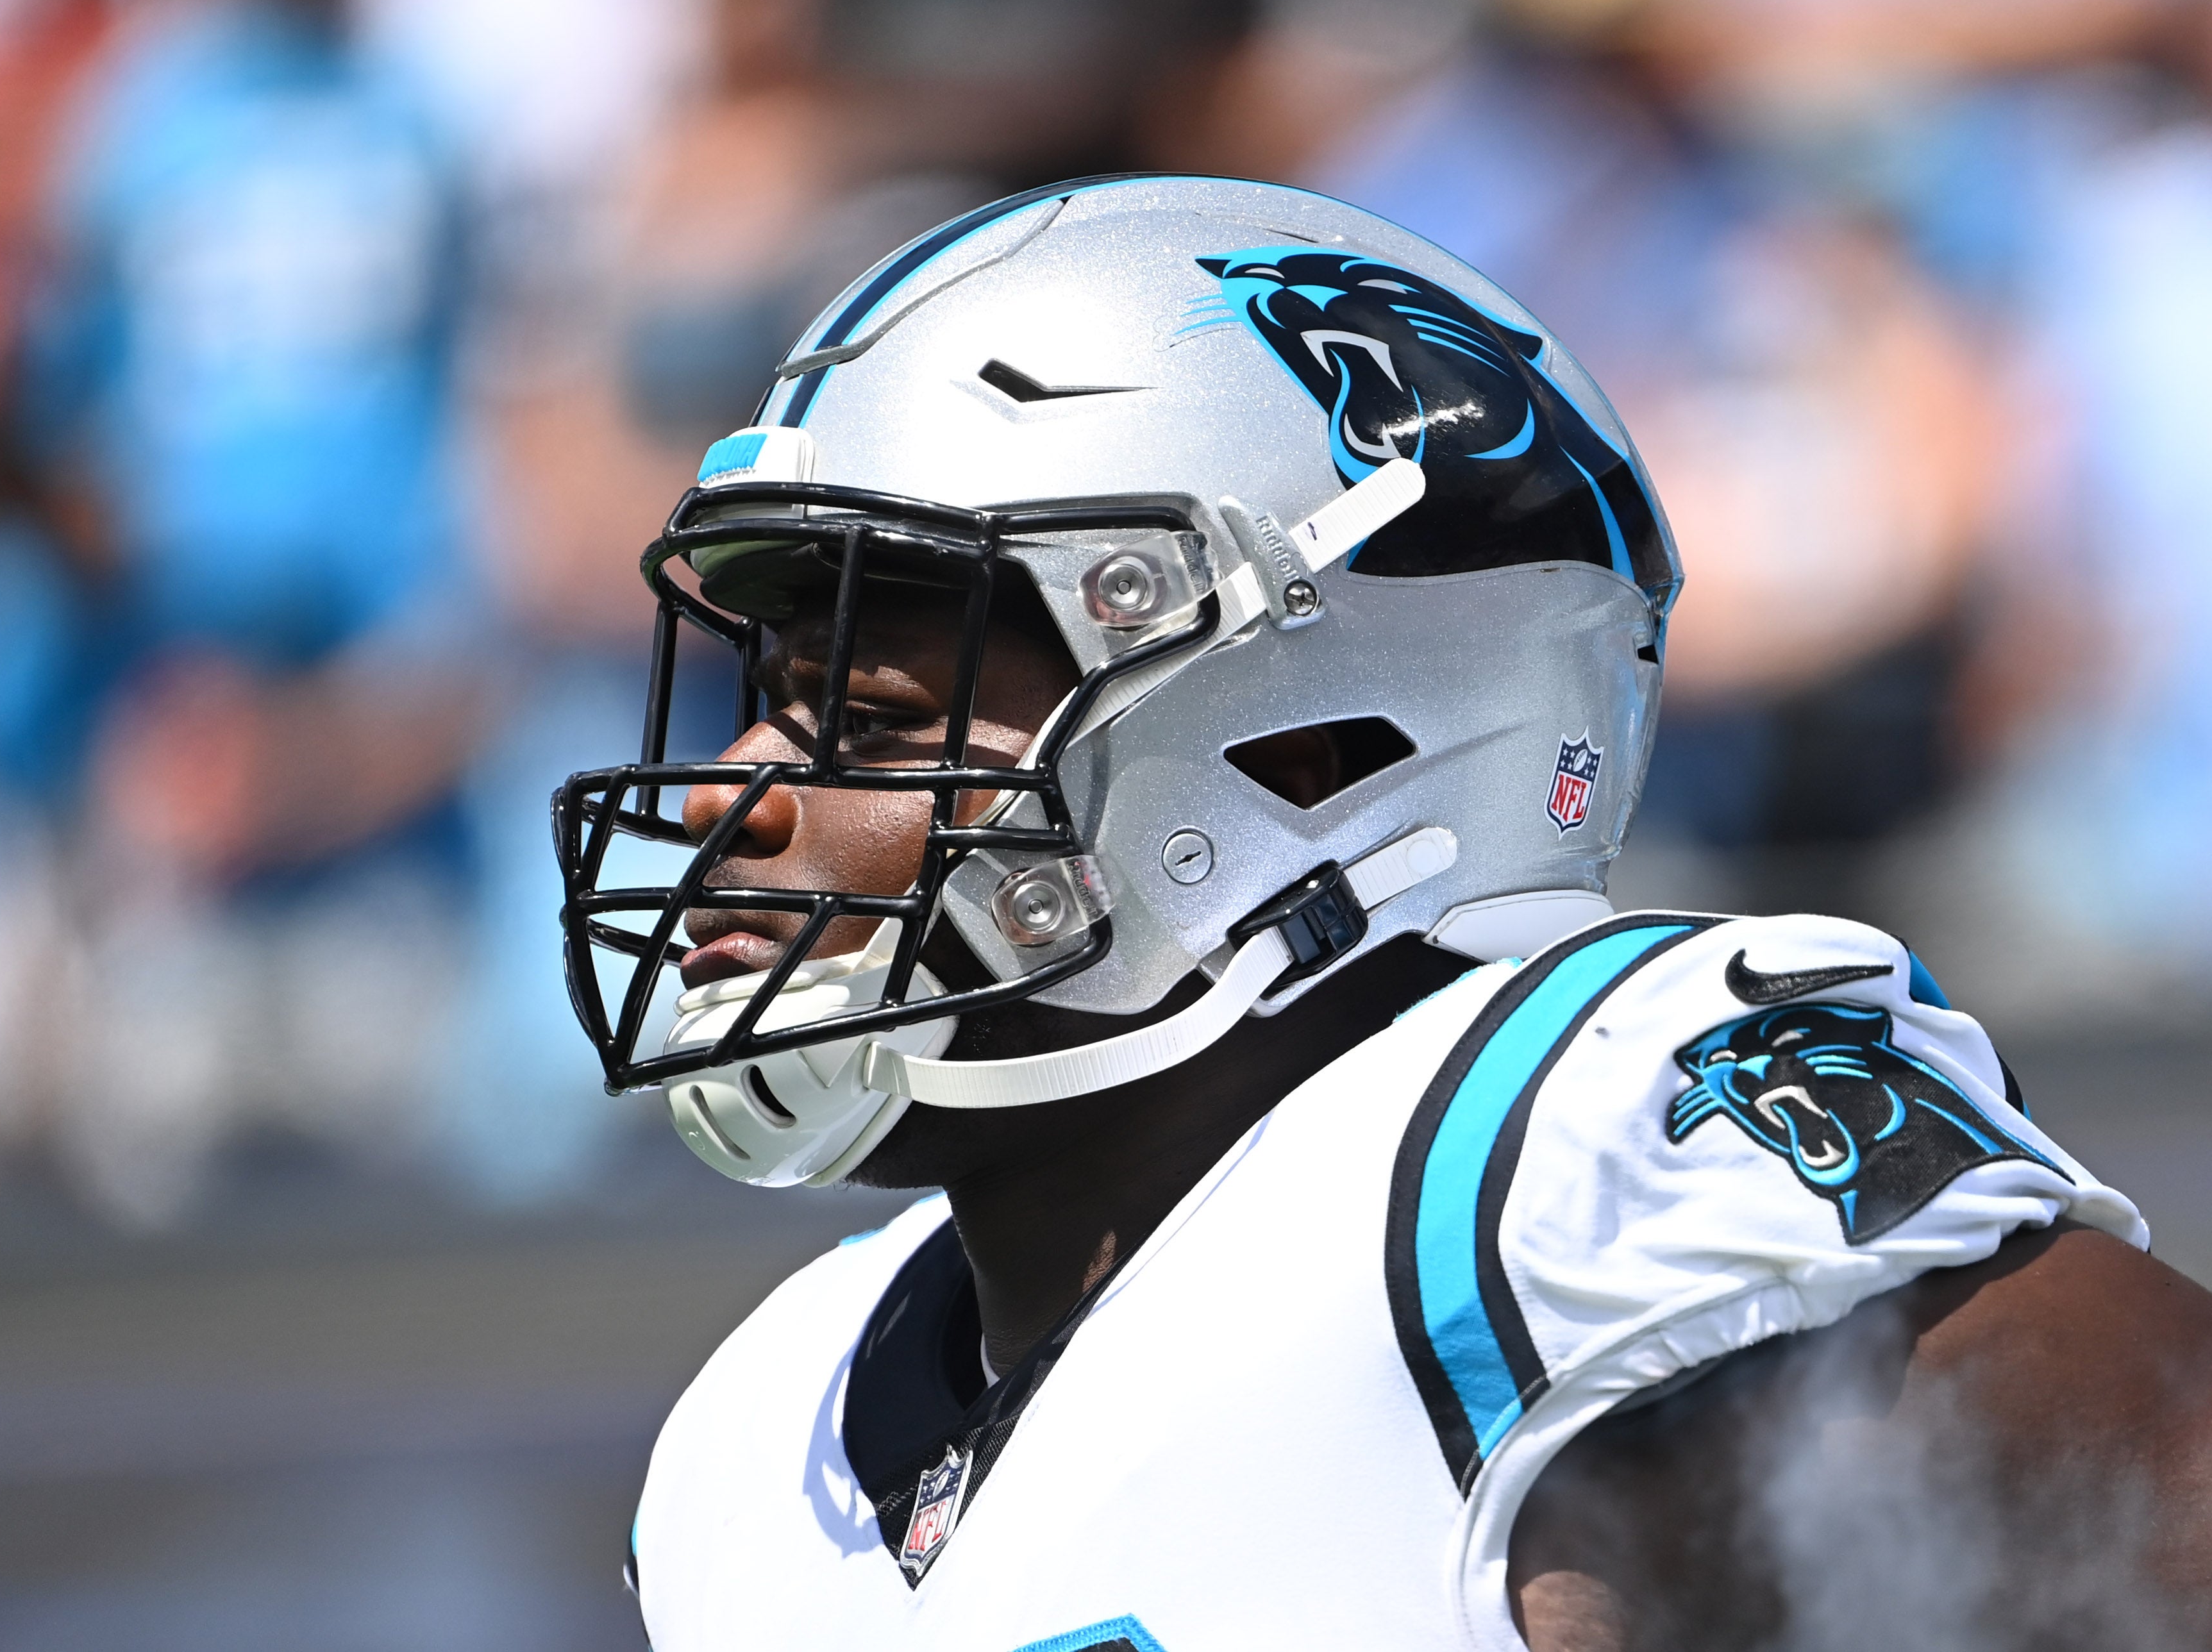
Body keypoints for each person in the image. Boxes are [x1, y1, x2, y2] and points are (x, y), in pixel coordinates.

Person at [551, 178, 2212, 1651]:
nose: (726, 796)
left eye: (872, 719)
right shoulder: (754, 1444)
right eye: (765, 703)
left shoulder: (1564, 1170)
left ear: (1307, 752)